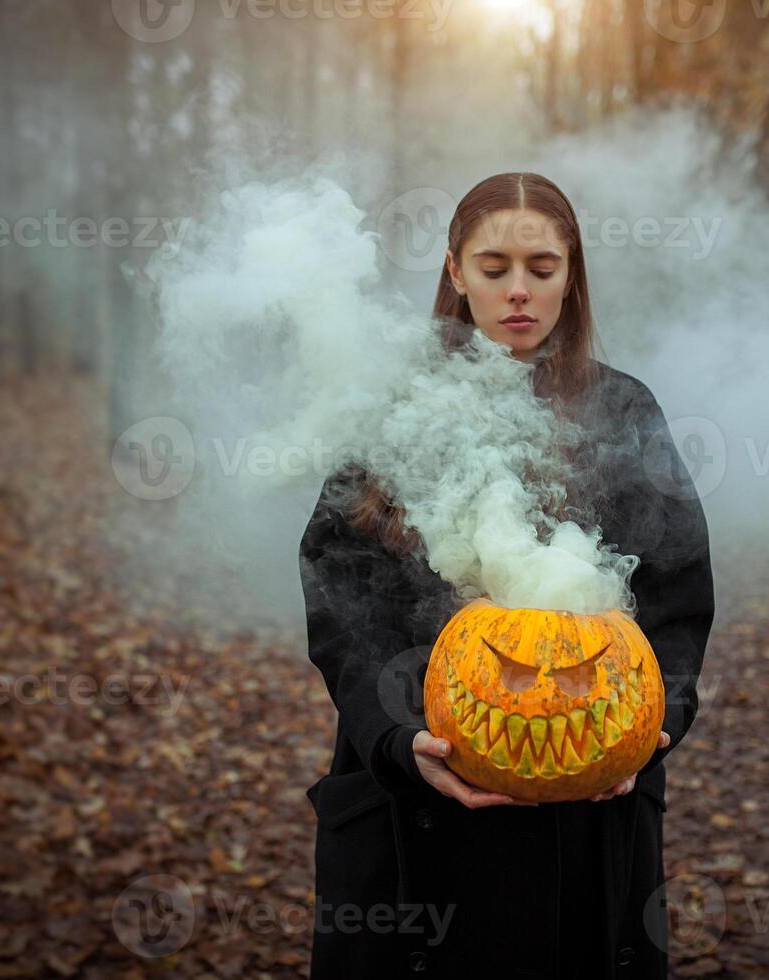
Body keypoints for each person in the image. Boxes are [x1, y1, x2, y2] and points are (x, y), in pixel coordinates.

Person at [300, 172, 715, 979]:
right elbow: (344, 606)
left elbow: (676, 597)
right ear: (455, 271)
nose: (519, 291)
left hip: (585, 813)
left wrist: (657, 728)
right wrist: (396, 738)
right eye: (494, 269)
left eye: (543, 268)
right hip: (416, 806)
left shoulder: (623, 411)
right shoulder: (390, 409)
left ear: (572, 274)